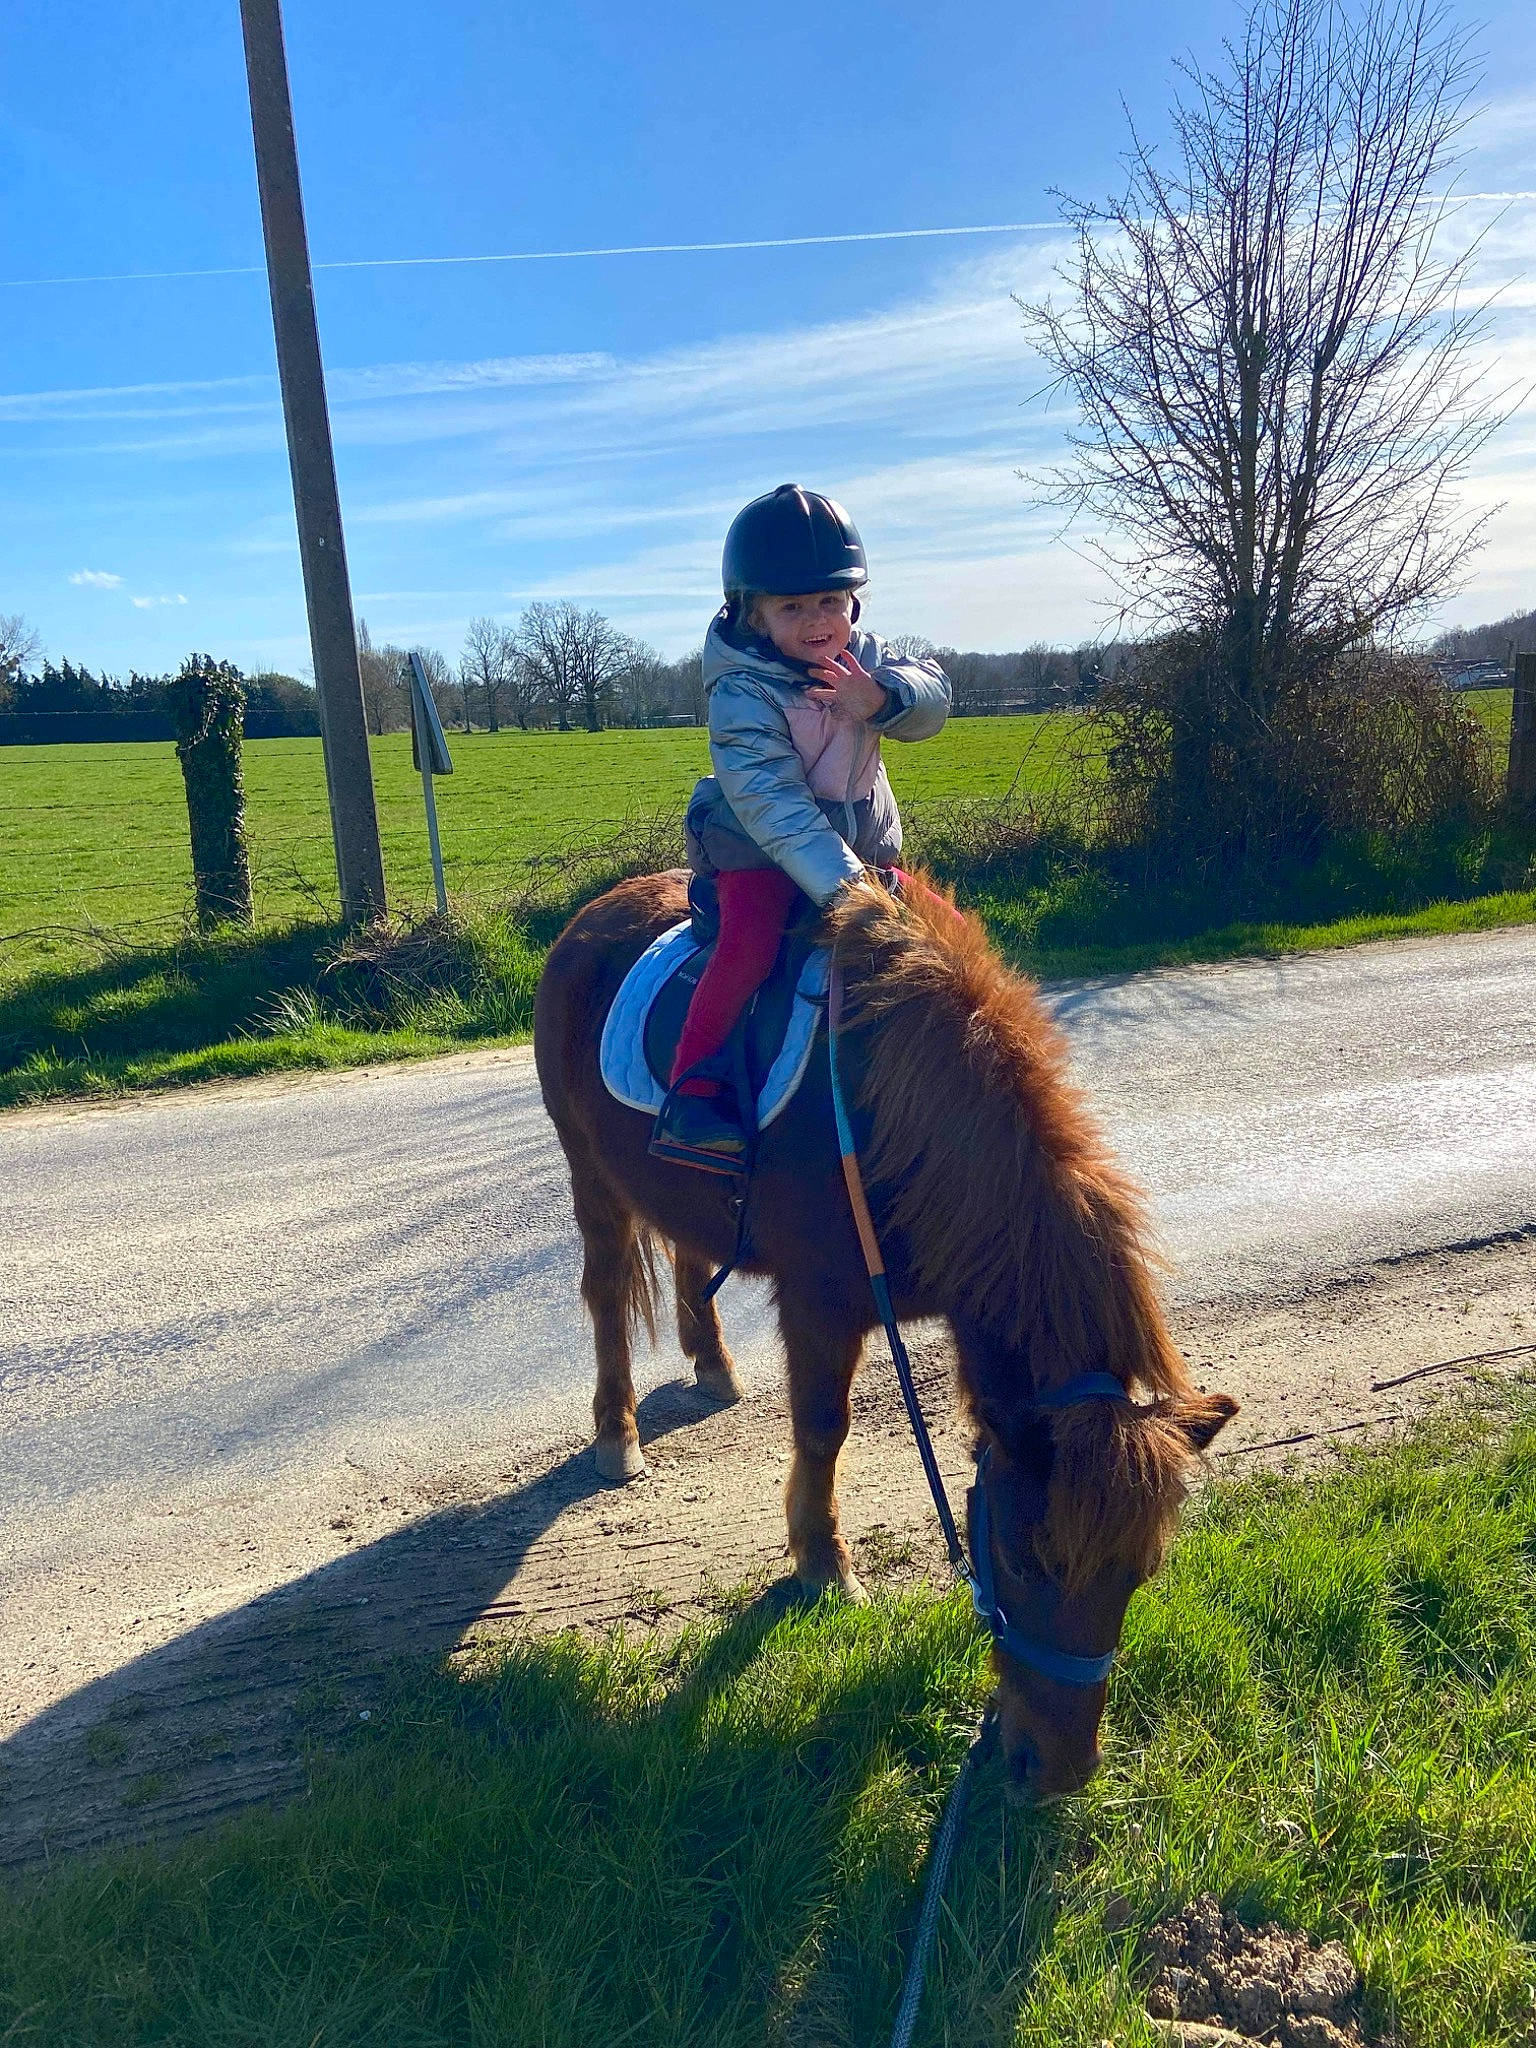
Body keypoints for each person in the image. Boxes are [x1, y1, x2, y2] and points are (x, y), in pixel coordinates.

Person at [649, 483, 951, 1174]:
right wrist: (855, 900)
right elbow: (776, 809)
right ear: (752, 616)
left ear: (853, 604)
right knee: (749, 946)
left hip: (862, 851)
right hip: (761, 851)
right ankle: (694, 1090)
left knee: (949, 930)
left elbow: (932, 695)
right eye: (792, 607)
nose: (818, 622)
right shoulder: (741, 689)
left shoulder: (865, 659)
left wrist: (883, 698)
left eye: (831, 603)